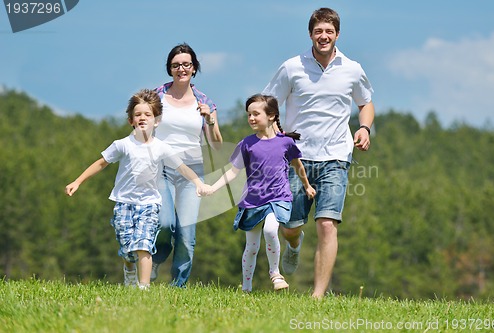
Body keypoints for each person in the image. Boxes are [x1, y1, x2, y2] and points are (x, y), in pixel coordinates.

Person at [262, 7, 375, 298]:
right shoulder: (292, 67)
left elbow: (366, 103)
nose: (323, 36)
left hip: (336, 156)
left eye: (329, 31)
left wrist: (364, 128)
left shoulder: (352, 69)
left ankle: (317, 295)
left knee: (327, 224)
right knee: (290, 224)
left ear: (337, 34)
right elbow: (269, 105)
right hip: (296, 158)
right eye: (318, 31)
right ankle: (294, 244)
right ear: (310, 34)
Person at [65, 89, 206, 290]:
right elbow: (101, 163)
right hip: (124, 203)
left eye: (147, 114)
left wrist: (199, 183)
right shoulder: (122, 145)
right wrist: (77, 181)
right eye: (138, 115)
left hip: (149, 204)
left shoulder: (161, 147)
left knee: (144, 245)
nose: (142, 118)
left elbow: (182, 168)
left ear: (156, 121)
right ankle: (129, 269)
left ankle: (143, 287)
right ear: (131, 120)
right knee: (127, 248)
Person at [200, 94, 316, 292]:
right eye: (249, 115)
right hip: (252, 200)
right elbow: (232, 171)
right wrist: (212, 187)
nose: (251, 118)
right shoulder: (247, 144)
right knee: (252, 247)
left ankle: (275, 273)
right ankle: (246, 288)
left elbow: (298, 166)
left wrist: (307, 186)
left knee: (271, 230)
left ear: (271, 116)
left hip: (279, 197)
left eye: (256, 114)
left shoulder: (286, 143)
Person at [152, 43, 223, 287]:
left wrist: (210, 120)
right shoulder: (157, 95)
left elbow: (216, 145)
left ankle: (178, 286)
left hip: (192, 171)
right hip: (160, 167)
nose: (181, 69)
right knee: (164, 223)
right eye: (175, 65)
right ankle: (153, 261)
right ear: (169, 69)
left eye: (186, 64)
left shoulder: (204, 101)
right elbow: (141, 126)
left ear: (194, 68)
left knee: (186, 232)